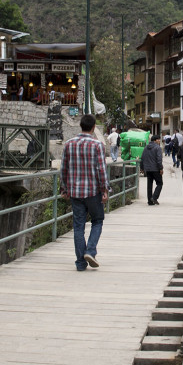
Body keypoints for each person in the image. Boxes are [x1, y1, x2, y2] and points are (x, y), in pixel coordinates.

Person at [60, 113, 109, 271]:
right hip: (93, 191)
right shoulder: (97, 145)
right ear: (94, 127)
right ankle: (90, 251)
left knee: (78, 226)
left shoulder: (69, 144)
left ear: (81, 126)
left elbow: (64, 169)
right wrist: (105, 190)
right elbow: (101, 170)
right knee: (97, 221)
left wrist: (64, 189)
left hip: (75, 192)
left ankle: (81, 263)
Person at [140, 134, 164, 205]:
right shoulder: (158, 148)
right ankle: (154, 197)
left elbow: (142, 158)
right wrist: (161, 168)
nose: (159, 141)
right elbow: (159, 159)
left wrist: (142, 168)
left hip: (148, 169)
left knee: (149, 185)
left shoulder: (146, 147)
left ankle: (150, 201)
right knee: (160, 183)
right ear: (154, 140)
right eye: (158, 139)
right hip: (156, 169)